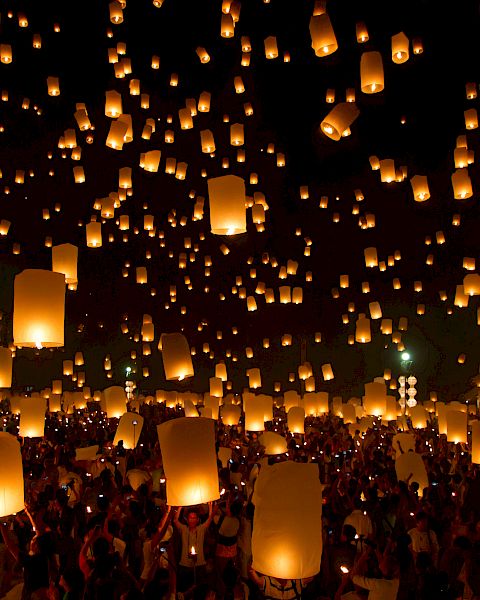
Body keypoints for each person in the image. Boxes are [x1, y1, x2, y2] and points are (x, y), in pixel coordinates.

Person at [174, 502, 214, 592]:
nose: (192, 520)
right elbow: (175, 520)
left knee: (199, 588)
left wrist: (210, 506)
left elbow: (210, 519)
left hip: (200, 563)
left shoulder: (201, 529)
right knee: (185, 587)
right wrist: (180, 506)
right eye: (190, 518)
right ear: (187, 519)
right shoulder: (183, 529)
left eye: (194, 518)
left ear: (197, 520)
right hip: (184, 564)